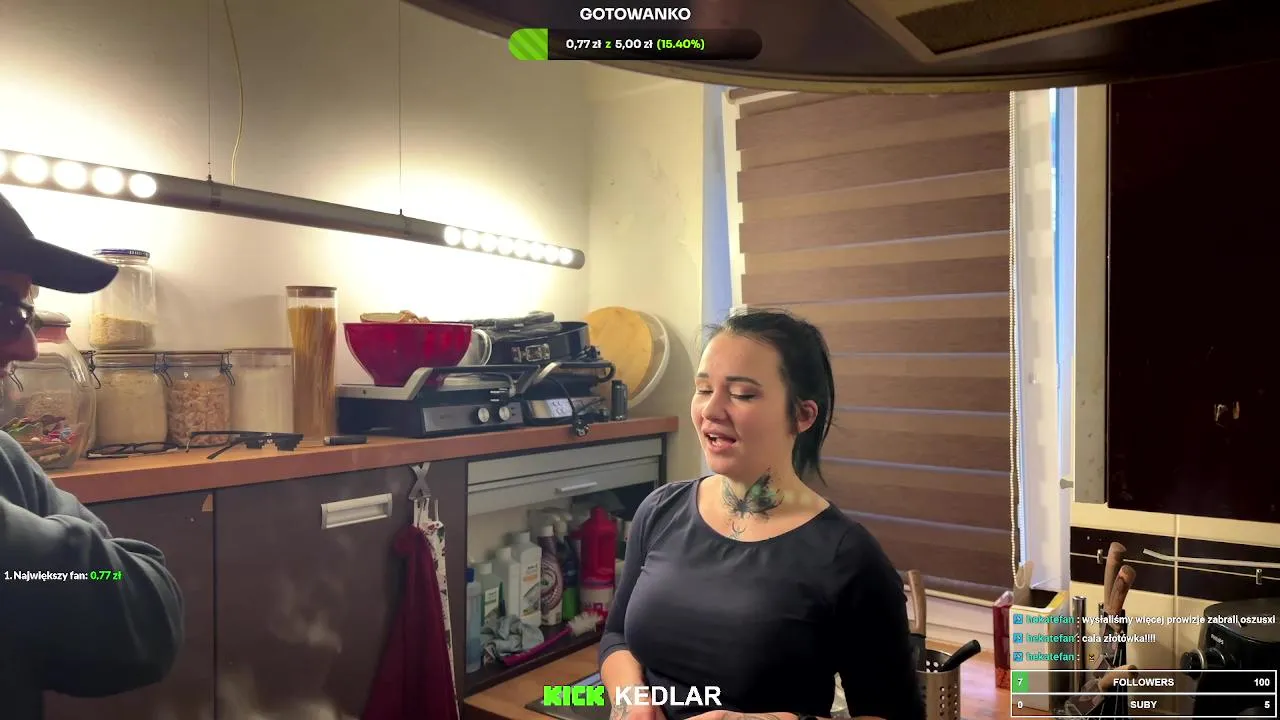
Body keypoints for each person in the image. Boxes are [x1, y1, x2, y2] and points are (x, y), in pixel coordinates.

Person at [599, 309, 924, 720]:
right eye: (703, 389)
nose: (711, 410)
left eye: (742, 394)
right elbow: (617, 638)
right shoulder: (660, 510)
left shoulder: (848, 558)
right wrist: (632, 702)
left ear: (803, 415)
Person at [0, 191, 184, 718]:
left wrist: (18, 554)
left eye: (25, 314)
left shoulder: (6, 462)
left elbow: (148, 613)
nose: (27, 347)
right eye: (5, 311)